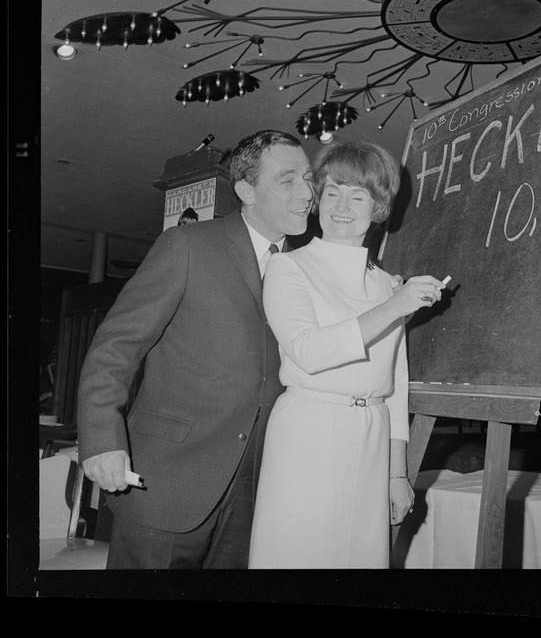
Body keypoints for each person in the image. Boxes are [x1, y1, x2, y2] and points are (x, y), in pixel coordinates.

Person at [76, 130, 314, 568]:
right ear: (246, 190)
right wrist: (100, 439)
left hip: (258, 487)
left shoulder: (305, 268)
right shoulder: (186, 246)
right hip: (167, 479)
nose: (307, 193)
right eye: (288, 180)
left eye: (309, 178)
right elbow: (115, 348)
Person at [248, 138, 446, 568]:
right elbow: (308, 351)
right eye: (332, 191)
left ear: (377, 208)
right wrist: (396, 306)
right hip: (309, 431)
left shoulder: (384, 284)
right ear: (317, 199)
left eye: (358, 195)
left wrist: (397, 474)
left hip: (372, 437)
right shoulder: (289, 266)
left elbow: (393, 386)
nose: (342, 205)